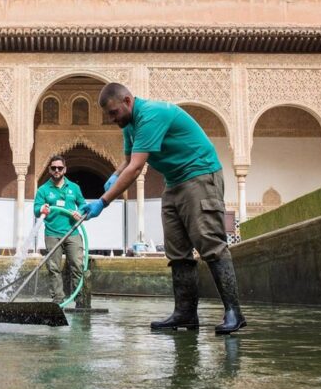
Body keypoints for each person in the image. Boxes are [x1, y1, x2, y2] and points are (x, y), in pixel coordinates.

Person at [81, 82, 246, 335]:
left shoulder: (151, 115)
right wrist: (114, 175)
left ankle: (234, 311)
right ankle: (185, 313)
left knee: (208, 241)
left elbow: (136, 168)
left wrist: (103, 201)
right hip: (174, 182)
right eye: (108, 115)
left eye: (114, 113)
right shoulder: (129, 125)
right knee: (177, 250)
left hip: (199, 174)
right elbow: (126, 162)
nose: (112, 119)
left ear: (127, 101)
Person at [32, 155, 86, 305]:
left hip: (72, 232)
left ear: (65, 169)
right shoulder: (43, 189)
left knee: (77, 266)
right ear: (50, 169)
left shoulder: (74, 188)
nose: (57, 170)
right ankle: (58, 301)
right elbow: (36, 209)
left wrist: (79, 212)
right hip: (52, 233)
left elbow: (83, 205)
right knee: (54, 268)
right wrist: (42, 208)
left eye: (60, 168)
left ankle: (80, 300)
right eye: (54, 168)